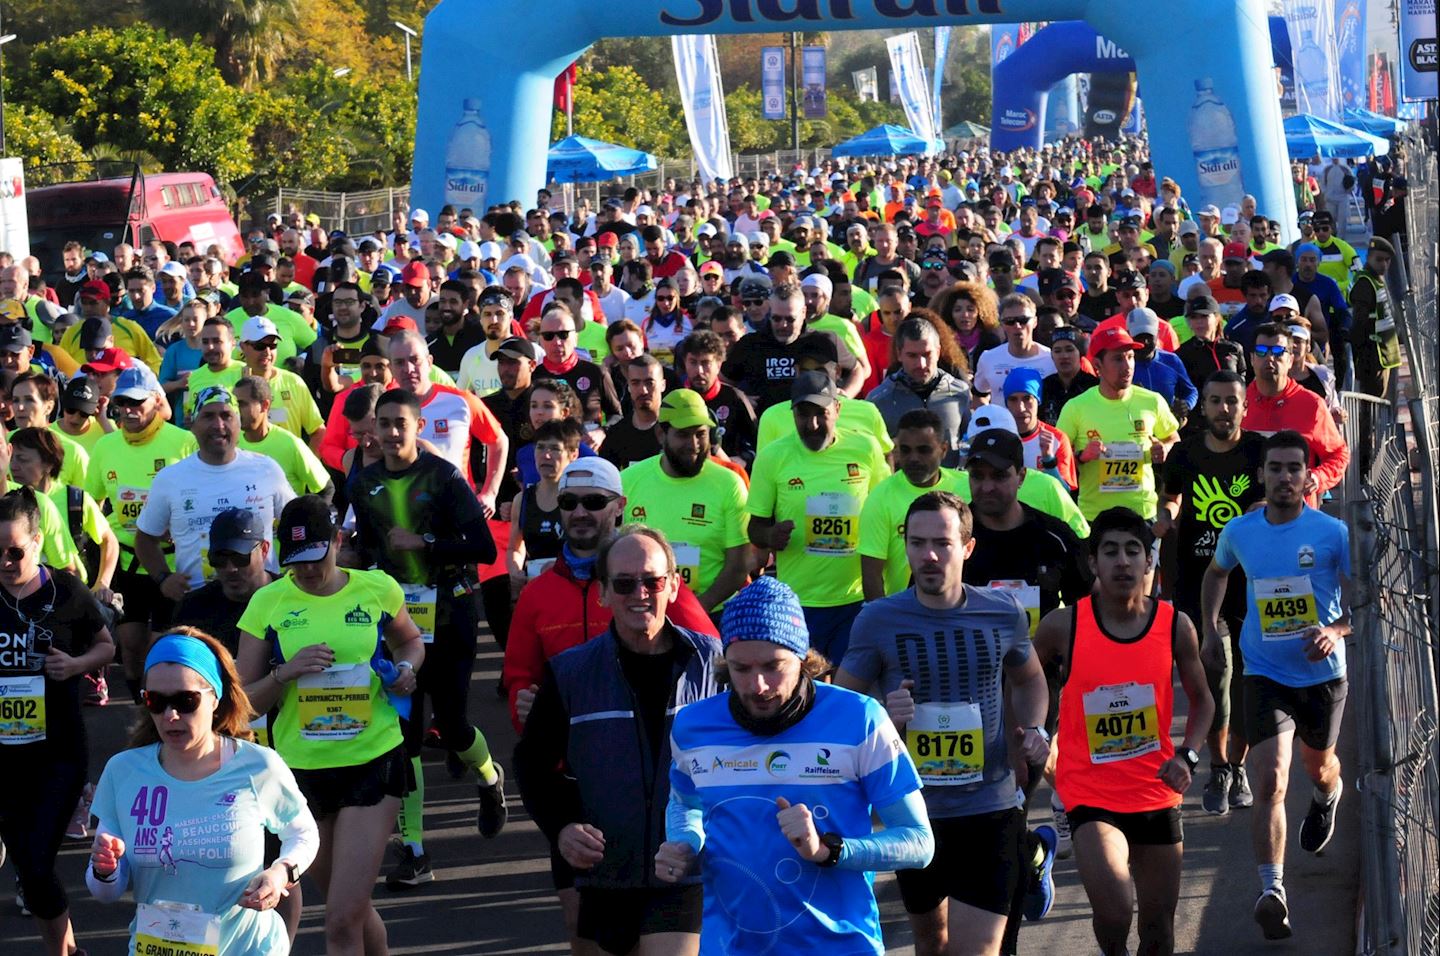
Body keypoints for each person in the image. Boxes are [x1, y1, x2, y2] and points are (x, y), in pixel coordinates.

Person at [657, 576, 935, 953]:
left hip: (840, 946)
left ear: (804, 659)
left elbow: (918, 842)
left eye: (774, 666)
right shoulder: (694, 726)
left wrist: (829, 850)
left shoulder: (860, 719)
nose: (757, 685)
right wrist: (685, 845)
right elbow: (685, 803)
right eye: (741, 668)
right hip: (730, 946)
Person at [837, 491, 1052, 956]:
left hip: (989, 806)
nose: (929, 555)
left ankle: (1029, 854)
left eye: (942, 543)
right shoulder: (878, 620)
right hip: (914, 813)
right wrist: (883, 715)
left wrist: (1035, 730)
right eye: (917, 543)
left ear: (967, 548)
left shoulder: (1001, 611)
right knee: (932, 944)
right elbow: (844, 704)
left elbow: (1031, 679)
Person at [514, 526, 723, 956]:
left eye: (653, 581)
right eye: (624, 584)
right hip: (605, 871)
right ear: (604, 593)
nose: (640, 593)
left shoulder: (714, 663)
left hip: (686, 869)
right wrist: (563, 826)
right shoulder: (571, 673)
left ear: (674, 585)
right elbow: (531, 764)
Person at [236, 495, 425, 955]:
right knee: (352, 908)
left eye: (315, 559)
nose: (306, 572)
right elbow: (242, 702)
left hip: (372, 760)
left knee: (340, 920)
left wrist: (407, 669)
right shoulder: (268, 602)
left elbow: (411, 641)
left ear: (338, 542)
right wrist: (287, 670)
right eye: (295, 563)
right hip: (299, 773)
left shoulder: (377, 589)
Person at [1034, 508, 1214, 956]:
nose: (1122, 562)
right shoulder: (1063, 625)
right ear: (1093, 563)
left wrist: (1188, 756)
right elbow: (1025, 682)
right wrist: (1038, 730)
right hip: (1089, 795)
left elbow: (1203, 701)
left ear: (1149, 562)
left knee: (1158, 930)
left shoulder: (1175, 625)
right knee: (1115, 913)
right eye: (1109, 551)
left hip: (1155, 791)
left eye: (1133, 551)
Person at [346, 389, 507, 887]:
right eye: (385, 423)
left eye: (402, 423)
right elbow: (367, 548)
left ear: (418, 427)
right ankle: (414, 850)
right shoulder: (364, 481)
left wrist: (425, 543)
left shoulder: (442, 476)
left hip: (451, 610)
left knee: (455, 726)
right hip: (397, 622)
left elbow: (481, 545)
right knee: (407, 735)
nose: (393, 433)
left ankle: (489, 778)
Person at [1200, 430, 1352, 941]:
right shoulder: (1240, 530)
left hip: (1322, 676)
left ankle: (1329, 795)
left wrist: (1334, 631)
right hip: (1263, 670)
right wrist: (1209, 626)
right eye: (1276, 469)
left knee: (1319, 766)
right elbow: (1217, 572)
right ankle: (1273, 891)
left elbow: (1367, 598)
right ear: (1261, 475)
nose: (1285, 477)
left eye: (1294, 469)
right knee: (1271, 781)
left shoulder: (1332, 532)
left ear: (1309, 478)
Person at [87, 629, 319, 956]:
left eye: (186, 701)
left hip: (248, 948)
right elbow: (105, 893)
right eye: (156, 700)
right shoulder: (123, 771)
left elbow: (304, 833)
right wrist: (105, 869)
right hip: (158, 947)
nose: (171, 715)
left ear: (215, 697)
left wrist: (281, 873)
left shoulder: (257, 765)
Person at [0, 488, 115, 952]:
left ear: (38, 540)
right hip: (3, 754)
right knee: (28, 864)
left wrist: (75, 665)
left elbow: (107, 646)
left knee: (36, 863)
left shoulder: (65, 590)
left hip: (57, 753)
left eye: (14, 551)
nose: (5, 562)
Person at [1156, 371, 1265, 816]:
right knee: (1214, 677)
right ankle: (1219, 766)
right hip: (1197, 583)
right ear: (1203, 407)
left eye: (1232, 402)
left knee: (1247, 685)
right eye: (1215, 401)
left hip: (1250, 584)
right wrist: (1164, 516)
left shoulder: (1258, 450)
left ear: (1244, 406)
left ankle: (1237, 764)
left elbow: (1263, 502)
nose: (1224, 409)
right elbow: (1173, 498)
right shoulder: (1184, 453)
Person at [747, 371, 889, 661]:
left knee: (846, 690)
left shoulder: (865, 448)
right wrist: (770, 536)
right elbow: (754, 529)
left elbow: (884, 510)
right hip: (798, 602)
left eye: (820, 414)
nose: (811, 425)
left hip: (855, 600)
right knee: (805, 690)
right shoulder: (773, 457)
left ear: (837, 409)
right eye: (802, 414)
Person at [84, 367, 198, 702]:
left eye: (137, 403)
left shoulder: (182, 441)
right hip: (127, 559)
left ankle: (158, 711)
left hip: (170, 561)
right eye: (122, 403)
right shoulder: (106, 446)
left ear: (157, 401)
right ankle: (139, 705)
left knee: (161, 646)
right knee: (131, 649)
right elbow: (92, 503)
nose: (129, 411)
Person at [134, 386, 293, 602]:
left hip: (261, 600)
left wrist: (291, 575)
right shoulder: (170, 478)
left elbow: (294, 524)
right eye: (208, 416)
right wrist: (163, 578)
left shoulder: (266, 469)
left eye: (227, 415)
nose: (219, 425)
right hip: (199, 604)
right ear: (193, 423)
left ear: (238, 423)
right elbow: (144, 539)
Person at [619, 390, 750, 613]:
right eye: (683, 434)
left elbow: (738, 566)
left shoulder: (729, 483)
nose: (694, 444)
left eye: (701, 434)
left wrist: (697, 609)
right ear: (661, 434)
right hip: (645, 612)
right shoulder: (628, 481)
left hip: (711, 615)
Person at [1056, 327, 1180, 522]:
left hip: (1143, 515)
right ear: (1097, 365)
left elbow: (1174, 439)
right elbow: (1057, 458)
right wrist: (1081, 456)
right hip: (1094, 517)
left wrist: (1165, 448)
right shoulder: (1075, 407)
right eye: (1118, 359)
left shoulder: (1152, 401)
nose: (1128, 366)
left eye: (1130, 357)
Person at [1240, 324, 1348, 506]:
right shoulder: (1237, 402)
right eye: (1261, 351)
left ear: (1290, 360)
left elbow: (1338, 454)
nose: (1269, 358)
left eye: (1277, 351)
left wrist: (1318, 477)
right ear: (1251, 359)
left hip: (1299, 517)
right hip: (1245, 514)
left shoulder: (1311, 404)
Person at [866, 317, 971, 466]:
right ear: (899, 354)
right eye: (912, 355)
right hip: (901, 486)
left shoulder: (960, 392)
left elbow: (968, 445)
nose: (921, 364)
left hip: (950, 486)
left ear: (939, 351)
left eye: (927, 354)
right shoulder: (878, 400)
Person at [233, 376, 334, 500]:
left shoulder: (291, 444)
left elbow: (326, 488)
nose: (235, 411)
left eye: (241, 404)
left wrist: (307, 517)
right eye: (234, 404)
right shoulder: (231, 444)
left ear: (265, 405)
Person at [972, 295, 1056, 402]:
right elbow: (979, 395)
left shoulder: (1051, 358)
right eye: (1010, 321)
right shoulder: (988, 358)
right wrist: (989, 416)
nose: (1017, 326)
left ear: (1035, 322)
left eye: (1023, 320)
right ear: (1001, 324)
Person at [1347, 236, 1400, 400]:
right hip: (1372, 355)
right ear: (1368, 258)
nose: (1384, 264)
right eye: (1379, 259)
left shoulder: (1379, 280)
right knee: (1373, 402)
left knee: (1385, 401)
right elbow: (1359, 323)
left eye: (1387, 260)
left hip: (1386, 352)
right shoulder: (1365, 283)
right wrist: (1359, 356)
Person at [1037, 327, 1098, 425]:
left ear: (1080, 353)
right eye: (1057, 351)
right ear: (1052, 355)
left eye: (1069, 350)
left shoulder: (1094, 387)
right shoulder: (1044, 387)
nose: (1064, 356)